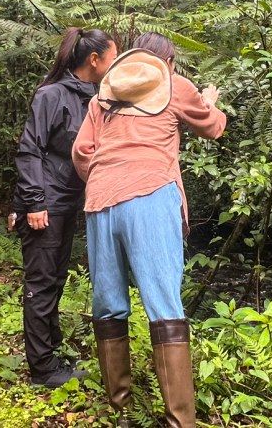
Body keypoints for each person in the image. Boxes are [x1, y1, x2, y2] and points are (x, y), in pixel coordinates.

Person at [72, 32, 226, 427]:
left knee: (108, 303)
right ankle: (180, 421)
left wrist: (109, 176)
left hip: (100, 199)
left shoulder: (103, 95)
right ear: (168, 62)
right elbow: (212, 127)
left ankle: (121, 412)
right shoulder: (174, 85)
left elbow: (81, 153)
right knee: (164, 307)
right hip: (151, 197)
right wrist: (211, 100)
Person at [12, 27, 117, 388]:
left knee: (55, 279)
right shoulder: (52, 95)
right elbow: (30, 150)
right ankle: (42, 370)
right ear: (94, 59)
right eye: (112, 56)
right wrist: (33, 203)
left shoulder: (94, 98)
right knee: (41, 284)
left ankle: (51, 354)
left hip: (68, 201)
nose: (114, 63)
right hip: (46, 204)